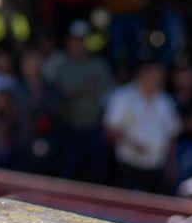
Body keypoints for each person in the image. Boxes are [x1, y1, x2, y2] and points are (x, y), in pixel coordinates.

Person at [45, 22, 114, 183]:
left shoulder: (98, 64)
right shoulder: (58, 63)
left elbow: (107, 94)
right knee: (66, 172)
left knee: (97, 174)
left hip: (93, 127)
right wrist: (83, 90)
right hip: (68, 127)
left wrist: (78, 92)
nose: (78, 44)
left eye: (81, 40)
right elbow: (54, 92)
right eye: (74, 40)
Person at [103, 61, 181, 194]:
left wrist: (171, 165)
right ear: (142, 73)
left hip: (156, 167)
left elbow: (171, 134)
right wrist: (132, 144)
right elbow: (110, 128)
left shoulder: (166, 101)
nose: (154, 78)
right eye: (151, 73)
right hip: (127, 165)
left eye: (158, 75)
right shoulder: (123, 96)